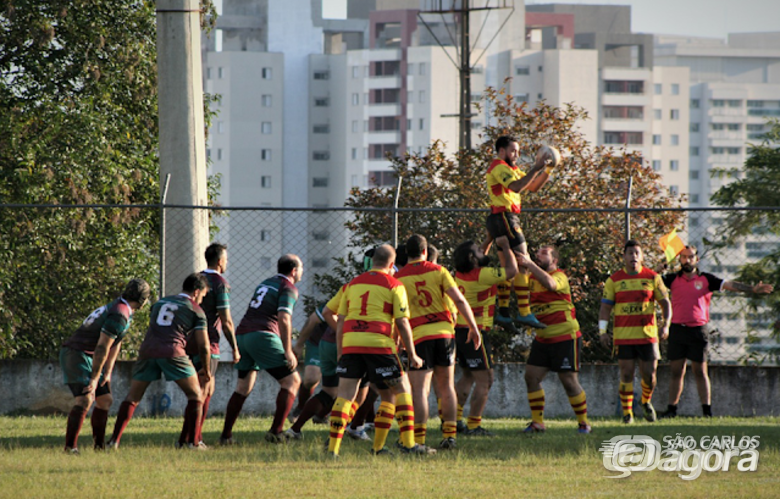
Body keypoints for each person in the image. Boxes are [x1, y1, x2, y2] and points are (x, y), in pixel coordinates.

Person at [327, 244, 435, 456]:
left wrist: (341, 352)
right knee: (401, 391)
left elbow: (340, 320)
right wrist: (412, 354)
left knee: (345, 396)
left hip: (351, 344)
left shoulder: (352, 285)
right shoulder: (394, 285)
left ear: (372, 261)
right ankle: (406, 445)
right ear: (392, 264)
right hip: (379, 344)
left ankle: (333, 450)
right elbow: (403, 322)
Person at [658, 246, 774, 418]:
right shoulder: (672, 279)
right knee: (676, 372)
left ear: (697, 259)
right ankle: (671, 410)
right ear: (680, 259)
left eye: (690, 257)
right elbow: (649, 282)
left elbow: (729, 285)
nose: (687, 260)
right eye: (683, 257)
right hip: (677, 330)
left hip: (698, 331)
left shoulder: (706, 279)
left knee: (700, 371)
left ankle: (706, 412)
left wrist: (752, 289)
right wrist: (658, 269)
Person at [396, 234, 481, 450]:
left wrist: (397, 340)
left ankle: (420, 439)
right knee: (446, 387)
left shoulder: (400, 278)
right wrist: (473, 327)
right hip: (444, 334)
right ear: (425, 252)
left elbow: (398, 315)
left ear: (407, 253)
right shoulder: (439, 271)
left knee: (420, 390)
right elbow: (459, 300)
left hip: (418, 337)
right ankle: (450, 436)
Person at [107, 273, 211, 449]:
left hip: (147, 350)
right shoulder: (196, 310)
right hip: (173, 351)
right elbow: (204, 346)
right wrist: (207, 371)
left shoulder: (160, 303)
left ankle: (113, 441)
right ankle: (192, 444)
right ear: (196, 292)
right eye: (202, 296)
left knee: (133, 397)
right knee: (196, 395)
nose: (201, 300)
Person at [60, 278, 151, 453]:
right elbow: (102, 346)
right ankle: (70, 448)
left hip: (90, 356)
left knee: (105, 400)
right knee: (85, 398)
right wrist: (94, 379)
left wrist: (107, 372)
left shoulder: (123, 309)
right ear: (143, 300)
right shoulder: (120, 313)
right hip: (77, 354)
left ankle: (99, 448)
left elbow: (116, 342)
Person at [219, 254, 303, 444]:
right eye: (301, 268)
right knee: (292, 381)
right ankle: (277, 431)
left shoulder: (266, 283)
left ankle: (226, 436)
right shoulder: (288, 288)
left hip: (242, 334)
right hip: (262, 336)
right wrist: (288, 349)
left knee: (243, 387)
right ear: (293, 271)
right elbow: (284, 318)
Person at [485, 135, 556, 330]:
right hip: (504, 218)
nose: (517, 155)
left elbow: (532, 186)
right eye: (513, 151)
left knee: (509, 267)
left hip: (505, 219)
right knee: (523, 262)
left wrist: (547, 169)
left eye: (517, 151)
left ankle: (505, 313)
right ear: (502, 151)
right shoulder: (498, 167)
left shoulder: (512, 169)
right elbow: (515, 186)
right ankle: (524, 312)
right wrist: (536, 167)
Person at [518, 246, 591, 434]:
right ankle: (537, 423)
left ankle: (584, 423)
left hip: (565, 336)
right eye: (537, 253)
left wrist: (530, 264)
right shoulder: (531, 278)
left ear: (554, 260)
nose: (538, 255)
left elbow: (550, 284)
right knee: (531, 377)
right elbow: (516, 286)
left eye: (544, 253)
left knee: (568, 380)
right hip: (543, 338)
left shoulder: (560, 276)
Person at [599, 240, 672, 424]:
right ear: (624, 257)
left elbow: (665, 304)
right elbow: (605, 308)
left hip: (647, 336)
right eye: (630, 253)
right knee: (626, 374)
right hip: (624, 336)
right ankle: (627, 414)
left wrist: (666, 324)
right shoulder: (614, 280)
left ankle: (646, 401)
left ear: (642, 257)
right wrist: (603, 331)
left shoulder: (653, 277)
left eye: (637, 253)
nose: (634, 257)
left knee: (650, 375)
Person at [453, 236, 518, 436]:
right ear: (473, 258)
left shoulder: (460, 274)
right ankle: (473, 425)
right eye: (478, 251)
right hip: (475, 332)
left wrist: (489, 240)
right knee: (485, 379)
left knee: (468, 375)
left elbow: (480, 255)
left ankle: (453, 420)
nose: (483, 251)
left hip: (458, 330)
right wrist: (506, 247)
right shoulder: (483, 275)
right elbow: (511, 271)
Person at [178, 243, 240, 448]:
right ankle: (191, 440)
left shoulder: (195, 278)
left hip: (188, 341)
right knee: (203, 390)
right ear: (220, 261)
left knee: (204, 389)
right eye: (227, 259)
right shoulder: (220, 283)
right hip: (209, 342)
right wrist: (234, 347)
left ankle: (192, 437)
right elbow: (226, 320)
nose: (228, 263)